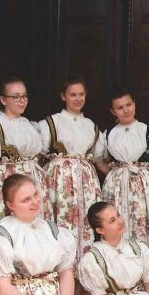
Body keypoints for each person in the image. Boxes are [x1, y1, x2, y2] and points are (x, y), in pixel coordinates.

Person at [37, 76, 104, 262]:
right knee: (62, 221)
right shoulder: (51, 123)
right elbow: (37, 157)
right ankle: (62, 266)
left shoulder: (91, 126)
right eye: (73, 94)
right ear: (63, 96)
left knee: (85, 222)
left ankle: (84, 269)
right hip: (59, 180)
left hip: (85, 181)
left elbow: (98, 160)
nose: (78, 99)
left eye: (81, 94)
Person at [0, 77, 50, 231]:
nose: (22, 100)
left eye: (24, 96)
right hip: (8, 184)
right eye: (16, 96)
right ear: (3, 99)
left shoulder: (30, 125)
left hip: (31, 182)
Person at [95, 90, 149, 254]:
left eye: (128, 105)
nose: (126, 110)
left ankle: (143, 260)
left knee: (141, 220)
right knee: (116, 218)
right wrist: (114, 173)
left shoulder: (148, 131)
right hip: (116, 184)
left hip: (141, 184)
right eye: (120, 107)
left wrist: (142, 170)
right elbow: (98, 159)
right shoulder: (108, 134)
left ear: (134, 104)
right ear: (113, 111)